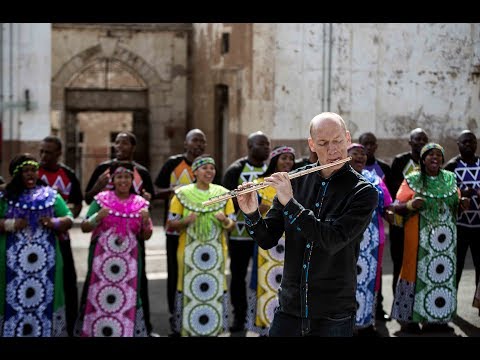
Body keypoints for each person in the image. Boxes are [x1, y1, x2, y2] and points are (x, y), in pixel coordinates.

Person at [236, 112, 379, 337]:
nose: (332, 149)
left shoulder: (364, 192)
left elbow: (331, 240)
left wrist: (290, 203)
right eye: (323, 143)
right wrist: (251, 213)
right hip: (290, 306)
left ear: (348, 139)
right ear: (312, 144)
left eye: (338, 141)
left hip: (334, 312)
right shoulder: (295, 181)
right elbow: (267, 238)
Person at [390, 143, 468, 333]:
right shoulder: (412, 179)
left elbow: (454, 207)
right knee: (414, 273)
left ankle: (436, 320)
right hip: (417, 239)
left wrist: (462, 205)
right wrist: (410, 205)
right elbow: (395, 207)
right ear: (423, 160)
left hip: (445, 244)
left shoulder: (450, 179)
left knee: (441, 275)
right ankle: (410, 320)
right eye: (430, 155)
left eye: (439, 155)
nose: (435, 158)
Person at [83, 131, 156, 335]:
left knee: (137, 282)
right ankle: (93, 325)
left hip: (133, 239)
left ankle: (139, 326)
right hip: (103, 245)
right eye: (117, 143)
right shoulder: (103, 171)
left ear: (133, 147)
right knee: (97, 282)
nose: (119, 147)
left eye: (124, 144)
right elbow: (88, 200)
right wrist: (98, 186)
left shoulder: (142, 172)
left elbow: (151, 199)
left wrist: (145, 205)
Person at [0, 154, 74, 336]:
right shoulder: (4, 196)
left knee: (45, 299)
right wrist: (11, 224)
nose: (31, 174)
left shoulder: (49, 195)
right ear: (16, 174)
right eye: (26, 171)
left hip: (46, 265)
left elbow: (69, 218)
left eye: (33, 170)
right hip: (10, 264)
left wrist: (54, 223)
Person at [166, 155, 235, 336]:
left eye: (212, 168)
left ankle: (216, 327)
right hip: (188, 252)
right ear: (194, 171)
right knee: (187, 284)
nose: (209, 171)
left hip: (216, 253)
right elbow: (170, 223)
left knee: (216, 286)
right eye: (204, 168)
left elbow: (232, 225)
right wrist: (185, 221)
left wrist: (225, 220)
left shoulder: (223, 193)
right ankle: (186, 328)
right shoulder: (182, 194)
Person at [154, 128, 207, 336]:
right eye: (195, 141)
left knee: (197, 272)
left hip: (200, 231)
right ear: (185, 144)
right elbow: (156, 191)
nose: (199, 145)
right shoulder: (173, 164)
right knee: (175, 274)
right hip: (175, 232)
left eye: (202, 142)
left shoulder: (207, 167)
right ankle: (175, 318)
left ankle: (196, 317)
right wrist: (175, 191)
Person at [222, 131, 271, 332]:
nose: (267, 148)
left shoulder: (271, 169)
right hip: (240, 235)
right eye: (262, 144)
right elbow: (225, 199)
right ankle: (239, 316)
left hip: (265, 234)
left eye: (268, 145)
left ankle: (261, 316)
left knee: (264, 275)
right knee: (239, 275)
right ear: (250, 147)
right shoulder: (236, 170)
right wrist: (247, 204)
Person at [245, 145, 295, 336]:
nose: (288, 162)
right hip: (268, 242)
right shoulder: (259, 184)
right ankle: (261, 324)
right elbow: (251, 214)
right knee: (263, 282)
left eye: (291, 158)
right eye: (284, 158)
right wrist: (262, 208)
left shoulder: (297, 183)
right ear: (274, 161)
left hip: (290, 243)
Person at [38, 135, 83, 336]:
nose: (44, 156)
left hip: (61, 238)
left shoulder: (68, 174)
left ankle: (72, 325)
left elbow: (78, 204)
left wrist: (65, 216)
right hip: (36, 241)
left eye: (48, 152)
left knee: (68, 282)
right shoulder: (32, 173)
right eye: (42, 151)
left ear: (58, 153)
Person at [347, 143, 393, 336]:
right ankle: (345, 327)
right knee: (346, 282)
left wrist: (392, 212)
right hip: (345, 241)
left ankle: (365, 324)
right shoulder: (338, 178)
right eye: (355, 153)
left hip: (371, 243)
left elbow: (387, 205)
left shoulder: (375, 179)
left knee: (369, 281)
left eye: (363, 154)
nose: (360, 157)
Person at [358, 131, 393, 321]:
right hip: (353, 235)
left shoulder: (382, 170)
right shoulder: (345, 173)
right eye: (364, 146)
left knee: (375, 272)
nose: (368, 149)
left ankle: (374, 312)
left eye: (372, 145)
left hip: (373, 234)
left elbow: (388, 201)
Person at [389, 128, 428, 299]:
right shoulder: (400, 161)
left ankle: (417, 304)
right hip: (400, 220)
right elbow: (393, 189)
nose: (420, 142)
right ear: (410, 142)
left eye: (423, 139)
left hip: (423, 221)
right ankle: (398, 305)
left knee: (420, 263)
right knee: (400, 263)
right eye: (417, 139)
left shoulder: (430, 162)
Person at [444, 130, 480, 290]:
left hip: (479, 226)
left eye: (471, 141)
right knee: (455, 267)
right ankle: (450, 305)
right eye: (464, 142)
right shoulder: (451, 166)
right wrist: (460, 194)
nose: (468, 145)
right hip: (459, 226)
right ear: (458, 145)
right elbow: (443, 194)